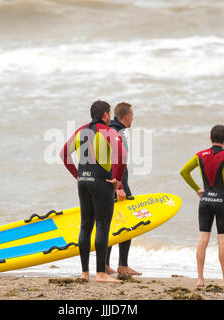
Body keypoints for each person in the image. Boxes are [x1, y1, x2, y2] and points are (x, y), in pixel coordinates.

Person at [59, 100, 127, 283]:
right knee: (103, 225)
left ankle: (84, 273)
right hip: (101, 182)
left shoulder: (81, 130)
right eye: (109, 113)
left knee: (85, 225)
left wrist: (77, 175)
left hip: (84, 182)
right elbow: (121, 156)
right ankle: (101, 274)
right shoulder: (109, 132)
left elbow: (64, 153)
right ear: (105, 115)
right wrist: (118, 180)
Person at [179, 125, 224, 288]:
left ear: (210, 138)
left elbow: (184, 171)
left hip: (205, 201)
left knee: (203, 240)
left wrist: (197, 189)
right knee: (222, 242)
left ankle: (200, 279)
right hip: (222, 202)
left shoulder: (200, 155)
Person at [105, 102, 142, 276]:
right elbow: (117, 161)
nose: (133, 118)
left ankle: (105, 264)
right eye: (132, 115)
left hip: (108, 184)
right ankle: (123, 265)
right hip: (118, 185)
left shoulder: (107, 130)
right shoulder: (118, 133)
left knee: (109, 224)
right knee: (127, 223)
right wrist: (119, 187)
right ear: (126, 116)